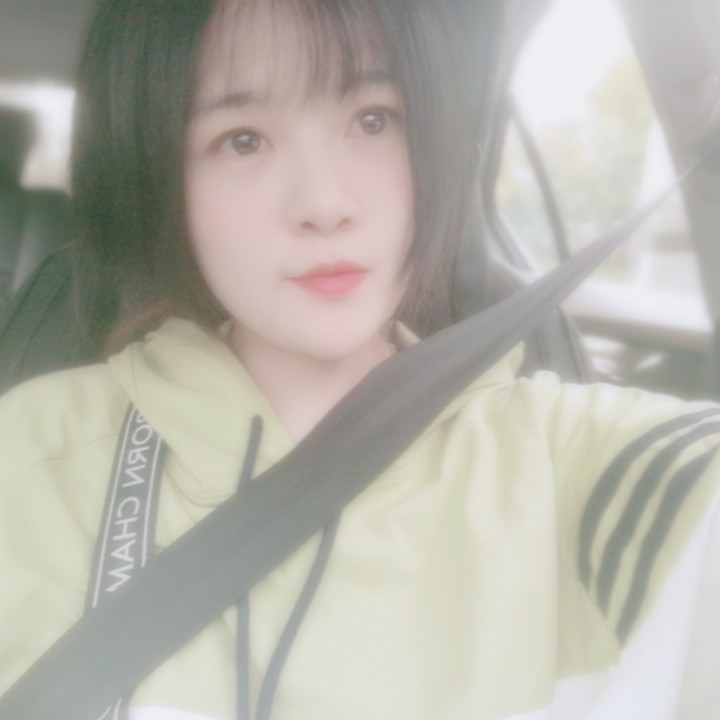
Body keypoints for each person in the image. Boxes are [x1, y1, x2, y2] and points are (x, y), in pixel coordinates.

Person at [1, 1, 719, 718]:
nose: (325, 203)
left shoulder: (560, 459)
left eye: (374, 119)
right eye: (242, 139)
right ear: (159, 180)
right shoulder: (30, 453)